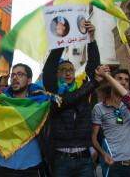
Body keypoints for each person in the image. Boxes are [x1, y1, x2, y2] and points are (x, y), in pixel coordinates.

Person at [0, 55, 105, 176]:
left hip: (32, 170)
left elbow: (70, 99)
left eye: (20, 74)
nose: (14, 78)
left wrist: (96, 82)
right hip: (2, 168)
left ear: (29, 80)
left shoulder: (41, 102)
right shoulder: (0, 100)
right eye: (13, 74)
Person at [91, 27, 130, 177]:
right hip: (114, 167)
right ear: (112, 82)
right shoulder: (99, 108)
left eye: (126, 80)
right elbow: (93, 138)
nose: (124, 83)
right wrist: (102, 153)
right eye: (119, 79)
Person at [42, 20, 100, 176]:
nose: (67, 73)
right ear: (57, 74)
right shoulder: (54, 92)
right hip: (61, 159)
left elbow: (94, 69)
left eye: (70, 70)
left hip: (84, 159)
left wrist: (91, 39)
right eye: (63, 70)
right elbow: (48, 70)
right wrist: (61, 39)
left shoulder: (83, 88)